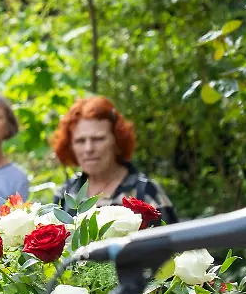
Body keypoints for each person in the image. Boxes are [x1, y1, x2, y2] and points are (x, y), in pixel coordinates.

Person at [52, 96, 178, 224]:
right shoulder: (65, 194)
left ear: (117, 141)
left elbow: (171, 236)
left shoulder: (146, 192)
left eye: (98, 139)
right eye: (80, 141)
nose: (88, 148)